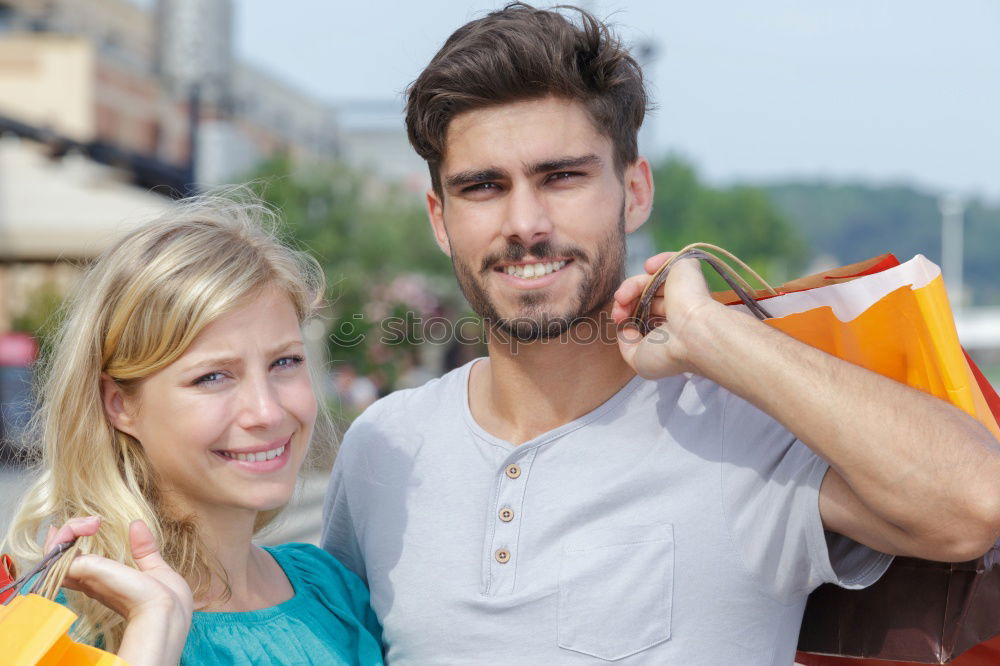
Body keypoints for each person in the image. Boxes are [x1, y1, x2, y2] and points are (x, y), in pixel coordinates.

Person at [321, 4, 1000, 664]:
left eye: (562, 177)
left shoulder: (741, 426)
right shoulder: (382, 448)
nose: (524, 222)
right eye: (483, 187)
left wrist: (715, 334)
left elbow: (977, 503)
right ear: (439, 219)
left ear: (635, 191)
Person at [2, 196, 383, 665]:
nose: (266, 411)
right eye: (212, 377)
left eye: (284, 362)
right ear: (120, 404)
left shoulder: (332, 589)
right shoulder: (66, 627)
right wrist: (152, 633)